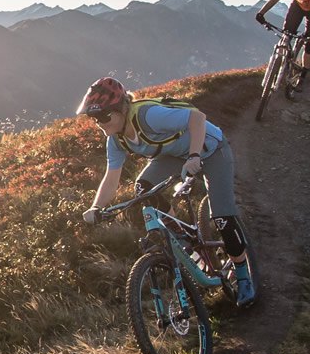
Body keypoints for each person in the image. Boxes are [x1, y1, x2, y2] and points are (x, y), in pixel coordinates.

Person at [76, 77, 257, 307]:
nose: (99, 123)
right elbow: (111, 179)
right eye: (94, 118)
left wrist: (194, 156)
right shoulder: (115, 140)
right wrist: (96, 208)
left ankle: (243, 276)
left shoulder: (148, 116)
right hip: (173, 155)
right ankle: (181, 235)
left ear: (121, 108)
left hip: (210, 150)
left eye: (103, 116)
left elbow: (197, 117)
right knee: (143, 188)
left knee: (222, 217)